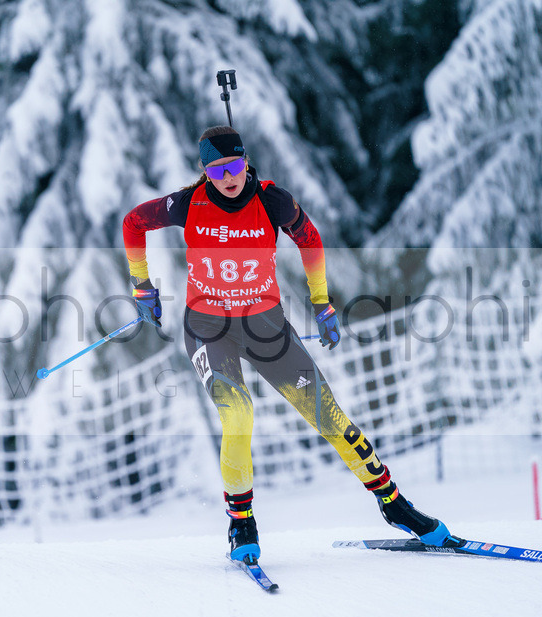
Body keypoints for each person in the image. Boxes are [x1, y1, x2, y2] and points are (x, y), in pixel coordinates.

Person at [121, 125, 457, 563]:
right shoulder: (189, 203)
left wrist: (323, 304)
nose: (229, 176)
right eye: (218, 169)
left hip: (266, 328)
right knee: (238, 412)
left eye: (235, 165)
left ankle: (395, 506)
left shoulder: (271, 200)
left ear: (246, 162)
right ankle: (241, 524)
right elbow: (134, 223)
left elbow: (310, 239)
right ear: (205, 172)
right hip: (209, 328)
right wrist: (141, 286)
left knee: (328, 413)